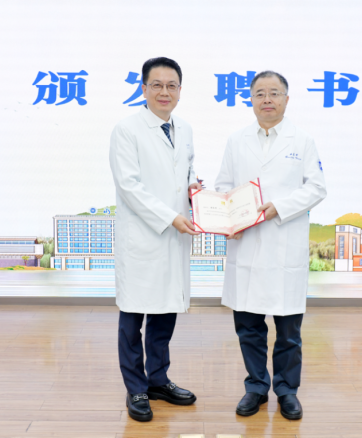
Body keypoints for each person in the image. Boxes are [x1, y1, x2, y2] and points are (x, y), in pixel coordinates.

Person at [215, 71, 327, 420]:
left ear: (286, 100)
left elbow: (317, 188)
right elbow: (223, 185)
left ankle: (287, 391)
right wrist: (228, 218)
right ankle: (256, 387)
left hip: (284, 244)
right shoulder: (237, 140)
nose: (267, 99)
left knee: (289, 332)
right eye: (260, 93)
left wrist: (279, 207)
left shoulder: (302, 140)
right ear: (251, 99)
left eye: (274, 93)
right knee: (249, 327)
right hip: (247, 244)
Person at [109, 57, 202, 422]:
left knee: (164, 314)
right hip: (143, 238)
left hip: (174, 237)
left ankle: (158, 380)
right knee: (133, 318)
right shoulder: (127, 129)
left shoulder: (185, 128)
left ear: (180, 90)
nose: (165, 92)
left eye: (172, 85)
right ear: (144, 88)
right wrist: (170, 217)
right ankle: (136, 388)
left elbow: (186, 171)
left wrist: (196, 189)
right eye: (157, 85)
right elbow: (129, 186)